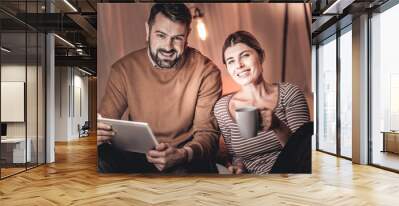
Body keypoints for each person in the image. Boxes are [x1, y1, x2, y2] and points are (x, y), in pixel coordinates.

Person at [97, 3, 222, 173]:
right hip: (137, 154)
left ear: (187, 36)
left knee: (184, 172)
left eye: (177, 37)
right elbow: (105, 121)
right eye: (161, 35)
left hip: (183, 155)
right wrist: (98, 135)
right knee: (99, 157)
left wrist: (183, 154)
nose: (168, 47)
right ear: (148, 31)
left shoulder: (206, 71)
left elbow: (208, 134)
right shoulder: (123, 69)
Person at [214, 31, 310, 175]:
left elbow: (304, 154)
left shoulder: (289, 94)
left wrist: (278, 126)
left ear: (261, 56)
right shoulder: (222, 108)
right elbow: (236, 156)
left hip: (289, 177)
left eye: (245, 55)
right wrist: (238, 167)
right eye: (231, 61)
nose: (238, 65)